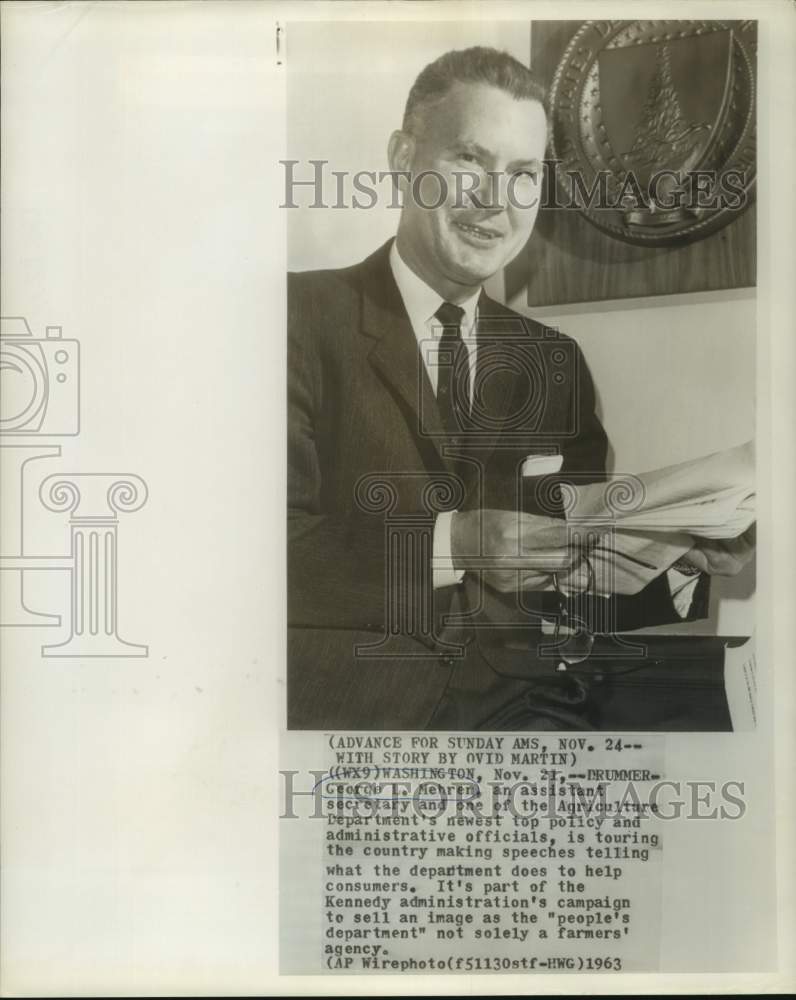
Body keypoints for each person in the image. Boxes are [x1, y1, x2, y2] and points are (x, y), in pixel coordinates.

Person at [287, 47, 751, 731]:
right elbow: (259, 557)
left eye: (524, 176)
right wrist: (457, 543)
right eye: (469, 161)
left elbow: (576, 586)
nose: (496, 202)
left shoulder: (553, 360)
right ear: (403, 158)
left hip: (532, 723)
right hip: (353, 740)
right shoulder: (294, 319)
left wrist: (682, 557)